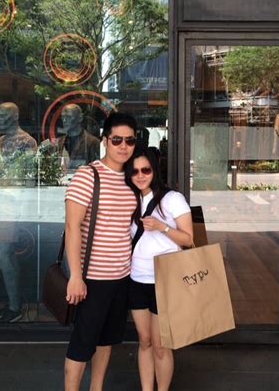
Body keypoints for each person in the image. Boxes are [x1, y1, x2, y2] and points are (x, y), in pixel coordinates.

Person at [64, 112, 138, 391]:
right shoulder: (88, 175)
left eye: (129, 140)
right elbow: (72, 227)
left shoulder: (131, 180)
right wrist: (76, 276)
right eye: (117, 139)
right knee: (82, 344)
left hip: (122, 276)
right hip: (92, 278)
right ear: (105, 140)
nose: (123, 146)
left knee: (107, 340)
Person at [124, 147, 193, 391]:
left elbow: (188, 239)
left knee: (161, 344)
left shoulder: (172, 199)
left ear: (154, 170)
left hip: (165, 279)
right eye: (134, 171)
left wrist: (162, 226)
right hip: (137, 278)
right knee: (144, 341)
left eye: (145, 170)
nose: (140, 175)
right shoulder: (129, 199)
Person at [0, 102, 37, 323]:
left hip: (13, 202)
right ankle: (14, 303)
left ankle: (15, 306)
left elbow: (30, 176)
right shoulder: (0, 141)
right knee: (6, 254)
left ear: (15, 116)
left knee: (1, 253)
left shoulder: (27, 141)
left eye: (4, 115)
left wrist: (26, 207)